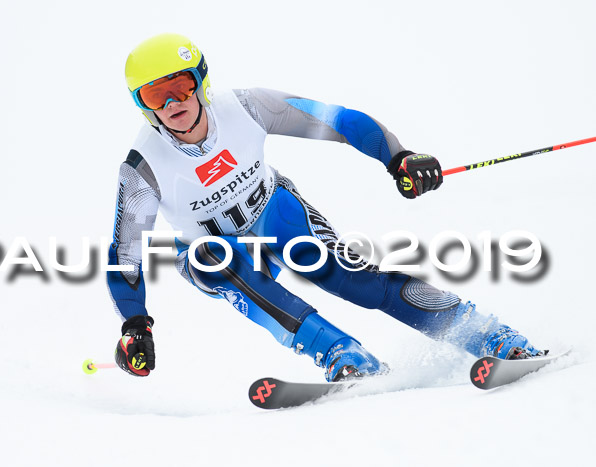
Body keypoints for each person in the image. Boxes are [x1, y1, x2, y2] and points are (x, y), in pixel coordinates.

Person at [108, 33, 544, 382]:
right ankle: (343, 356)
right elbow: (125, 255)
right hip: (216, 252)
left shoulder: (245, 107)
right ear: (141, 105)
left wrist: (399, 158)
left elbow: (339, 121)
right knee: (210, 260)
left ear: (200, 81)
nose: (172, 104)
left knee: (355, 280)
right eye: (154, 96)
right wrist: (135, 327)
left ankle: (488, 335)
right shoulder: (143, 167)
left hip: (274, 216)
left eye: (180, 86)